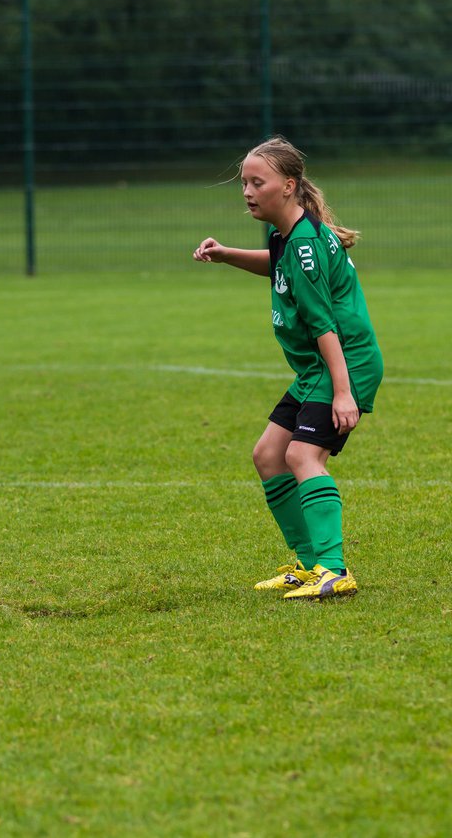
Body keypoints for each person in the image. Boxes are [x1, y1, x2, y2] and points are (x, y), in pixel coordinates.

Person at [192, 136, 383, 600]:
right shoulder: (289, 236)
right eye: (245, 182)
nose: (247, 191)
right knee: (268, 456)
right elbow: (276, 266)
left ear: (289, 185)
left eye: (258, 182)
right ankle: (309, 563)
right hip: (317, 369)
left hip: (342, 364)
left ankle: (334, 570)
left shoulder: (304, 246)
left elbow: (324, 325)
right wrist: (225, 254)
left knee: (302, 457)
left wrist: (343, 393)